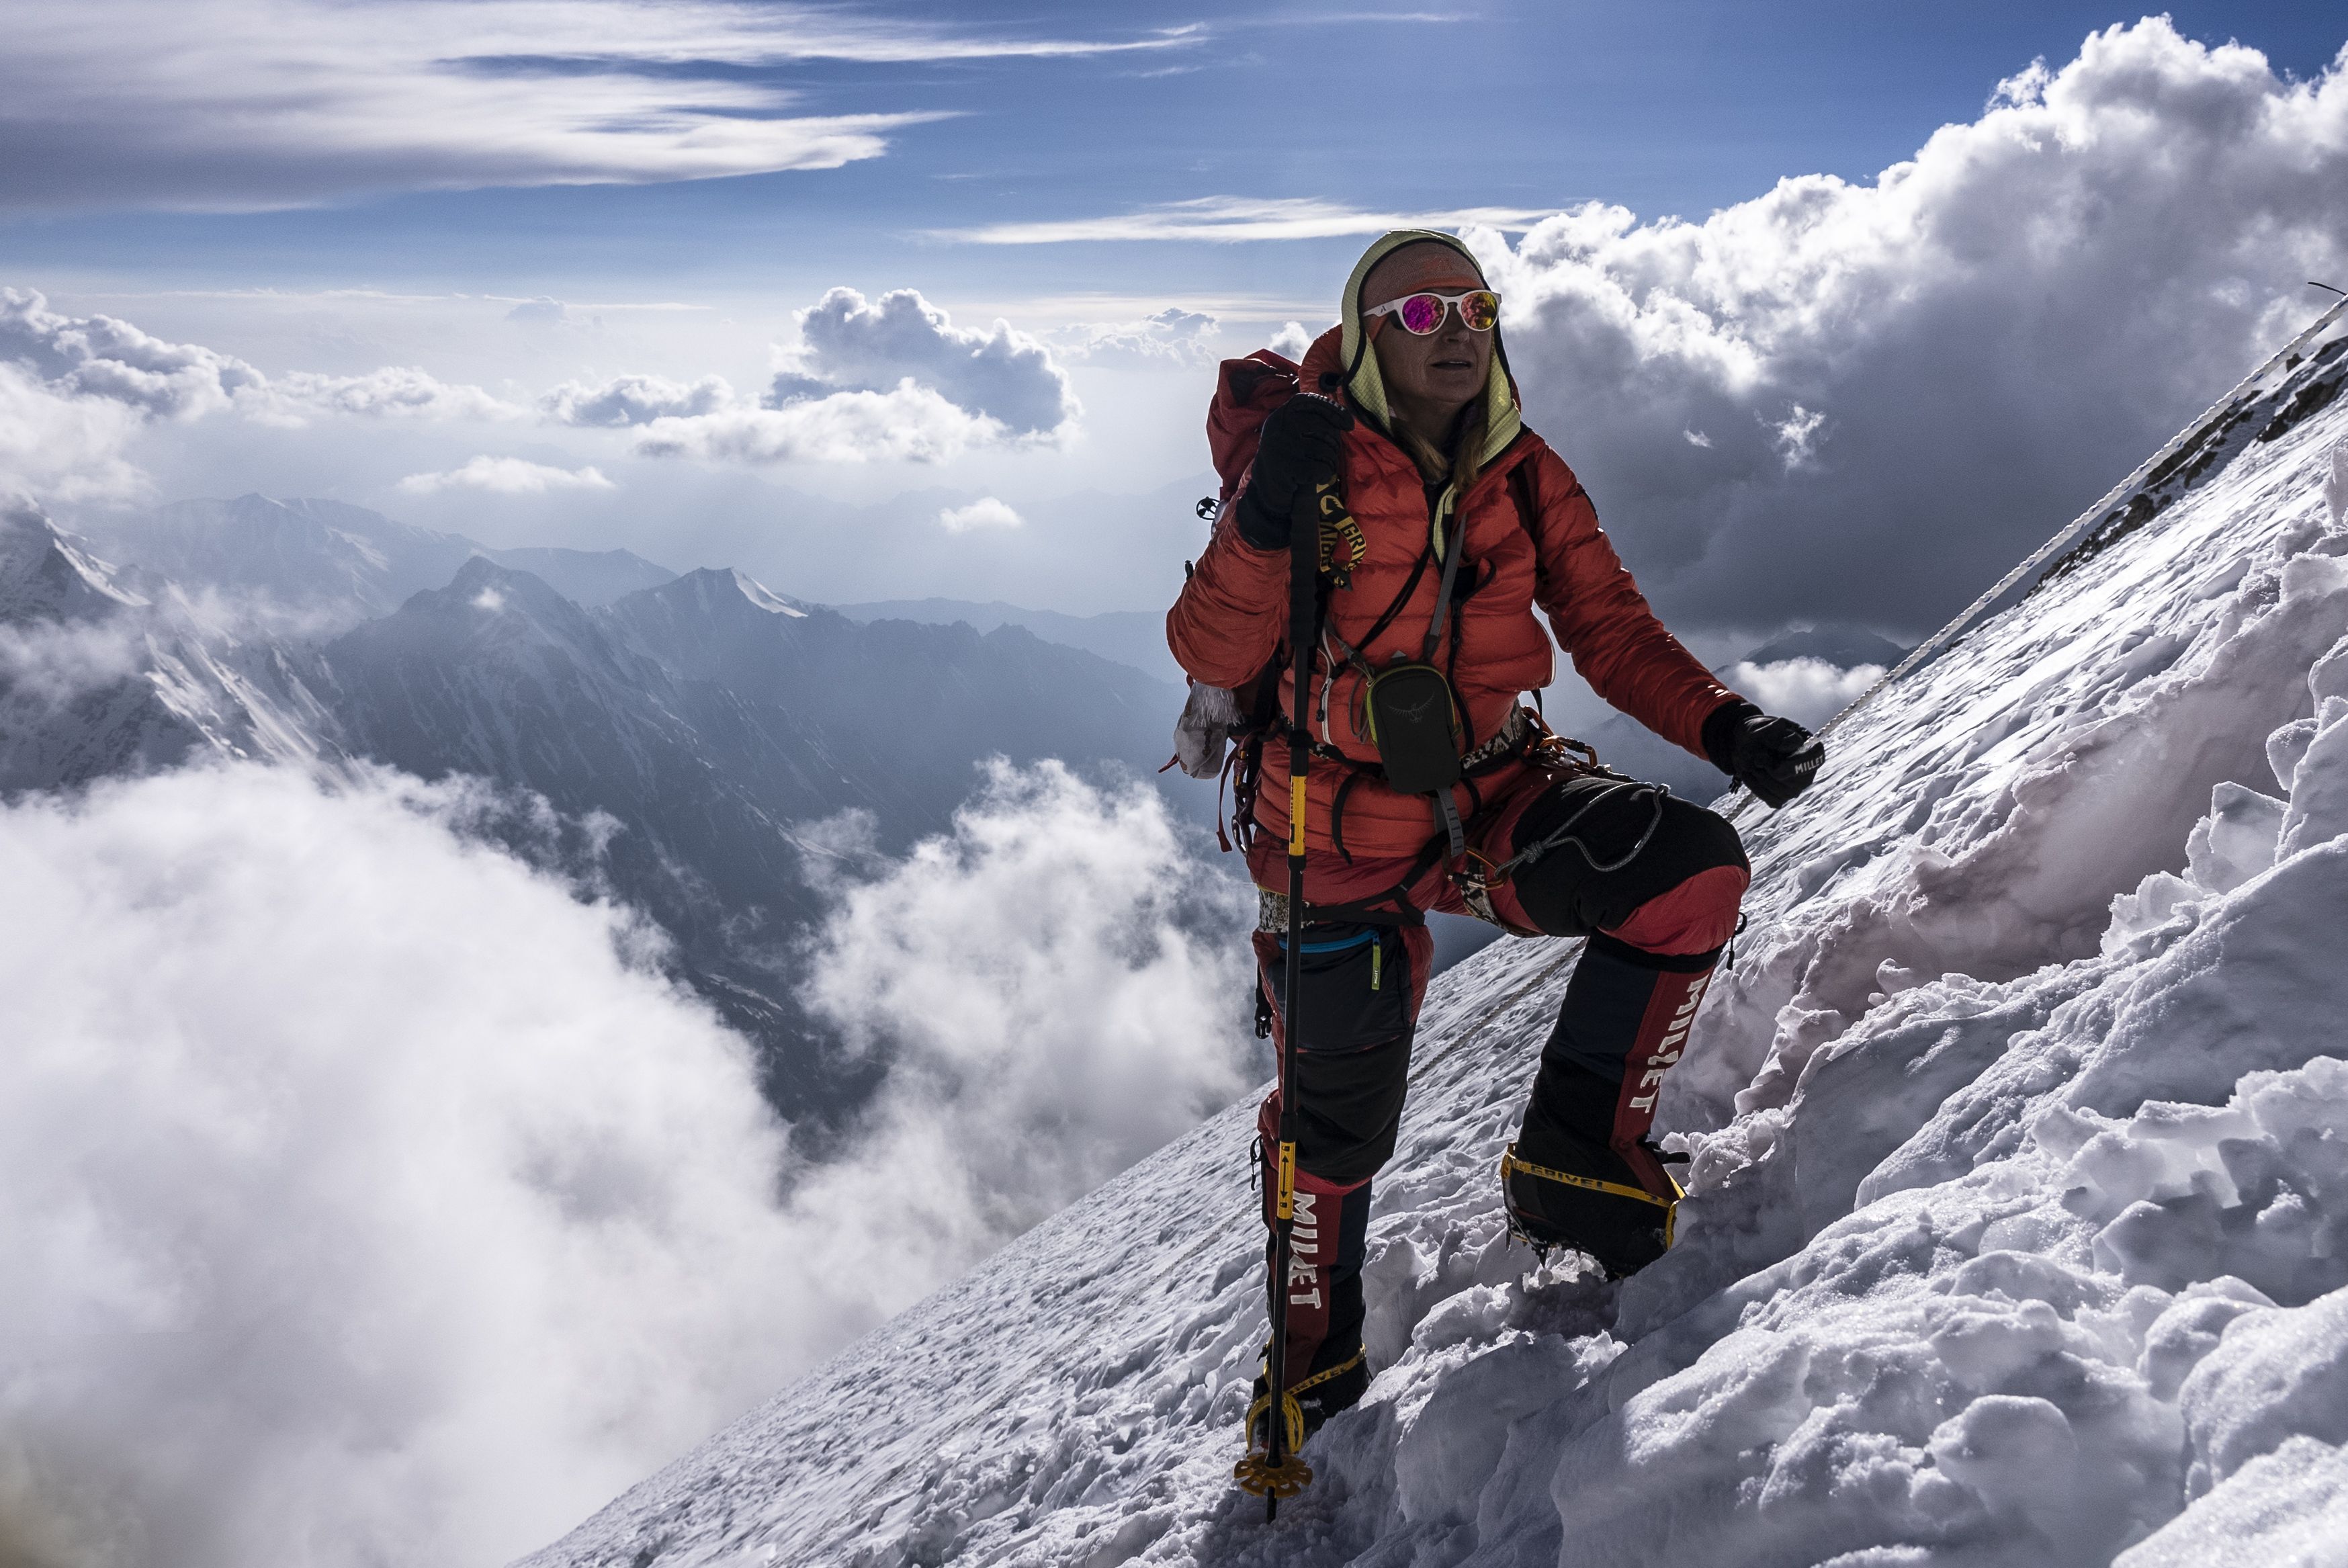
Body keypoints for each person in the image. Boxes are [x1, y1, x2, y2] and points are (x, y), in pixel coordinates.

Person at [1166, 229, 1822, 1440]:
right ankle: (1313, 1361)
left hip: (1484, 797)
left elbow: (1608, 626)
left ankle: (1576, 1161)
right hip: (1329, 838)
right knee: (1336, 1123)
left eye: (1473, 307)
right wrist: (1262, 514)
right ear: (1368, 340)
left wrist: (1725, 727)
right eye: (1420, 318)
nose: (1456, 331)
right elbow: (1214, 650)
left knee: (1688, 874)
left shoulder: (1522, 469)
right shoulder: (1302, 461)